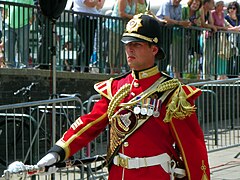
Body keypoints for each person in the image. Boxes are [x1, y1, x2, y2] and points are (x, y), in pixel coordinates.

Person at [29, 14, 210, 179]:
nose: (129, 50)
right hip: (118, 174)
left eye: (136, 44)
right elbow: (89, 124)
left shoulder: (173, 93)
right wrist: (57, 152)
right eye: (127, 44)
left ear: (154, 49)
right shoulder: (116, 87)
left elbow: (192, 149)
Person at [156, 0, 191, 79]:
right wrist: (180, 23)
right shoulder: (166, 4)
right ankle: (158, 73)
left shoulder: (180, 6)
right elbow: (167, 19)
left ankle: (163, 73)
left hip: (169, 31)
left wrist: (182, 23)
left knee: (167, 53)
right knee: (162, 51)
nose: (177, 1)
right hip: (161, 29)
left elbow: (177, 20)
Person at [73, 0, 105, 72]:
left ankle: (84, 67)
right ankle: (79, 67)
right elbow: (90, 4)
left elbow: (99, 6)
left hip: (92, 19)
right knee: (86, 44)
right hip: (83, 18)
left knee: (89, 45)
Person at [107, 0, 137, 74]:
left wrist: (133, 17)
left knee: (123, 50)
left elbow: (135, 14)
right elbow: (121, 14)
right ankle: (112, 70)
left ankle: (119, 69)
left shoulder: (135, 1)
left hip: (126, 29)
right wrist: (133, 17)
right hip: (115, 28)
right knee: (113, 48)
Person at [4, 0, 34, 68]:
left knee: (23, 46)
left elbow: (32, 10)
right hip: (9, 24)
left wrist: (31, 20)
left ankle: (24, 65)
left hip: (24, 24)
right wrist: (5, 19)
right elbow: (4, 9)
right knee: (8, 45)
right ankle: (10, 66)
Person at [225, 1, 240, 77]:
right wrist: (235, 29)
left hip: (238, 40)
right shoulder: (226, 18)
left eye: (234, 8)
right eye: (230, 8)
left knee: (238, 57)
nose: (232, 10)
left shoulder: (239, 17)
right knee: (230, 57)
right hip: (229, 40)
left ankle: (236, 74)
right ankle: (229, 75)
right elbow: (225, 28)